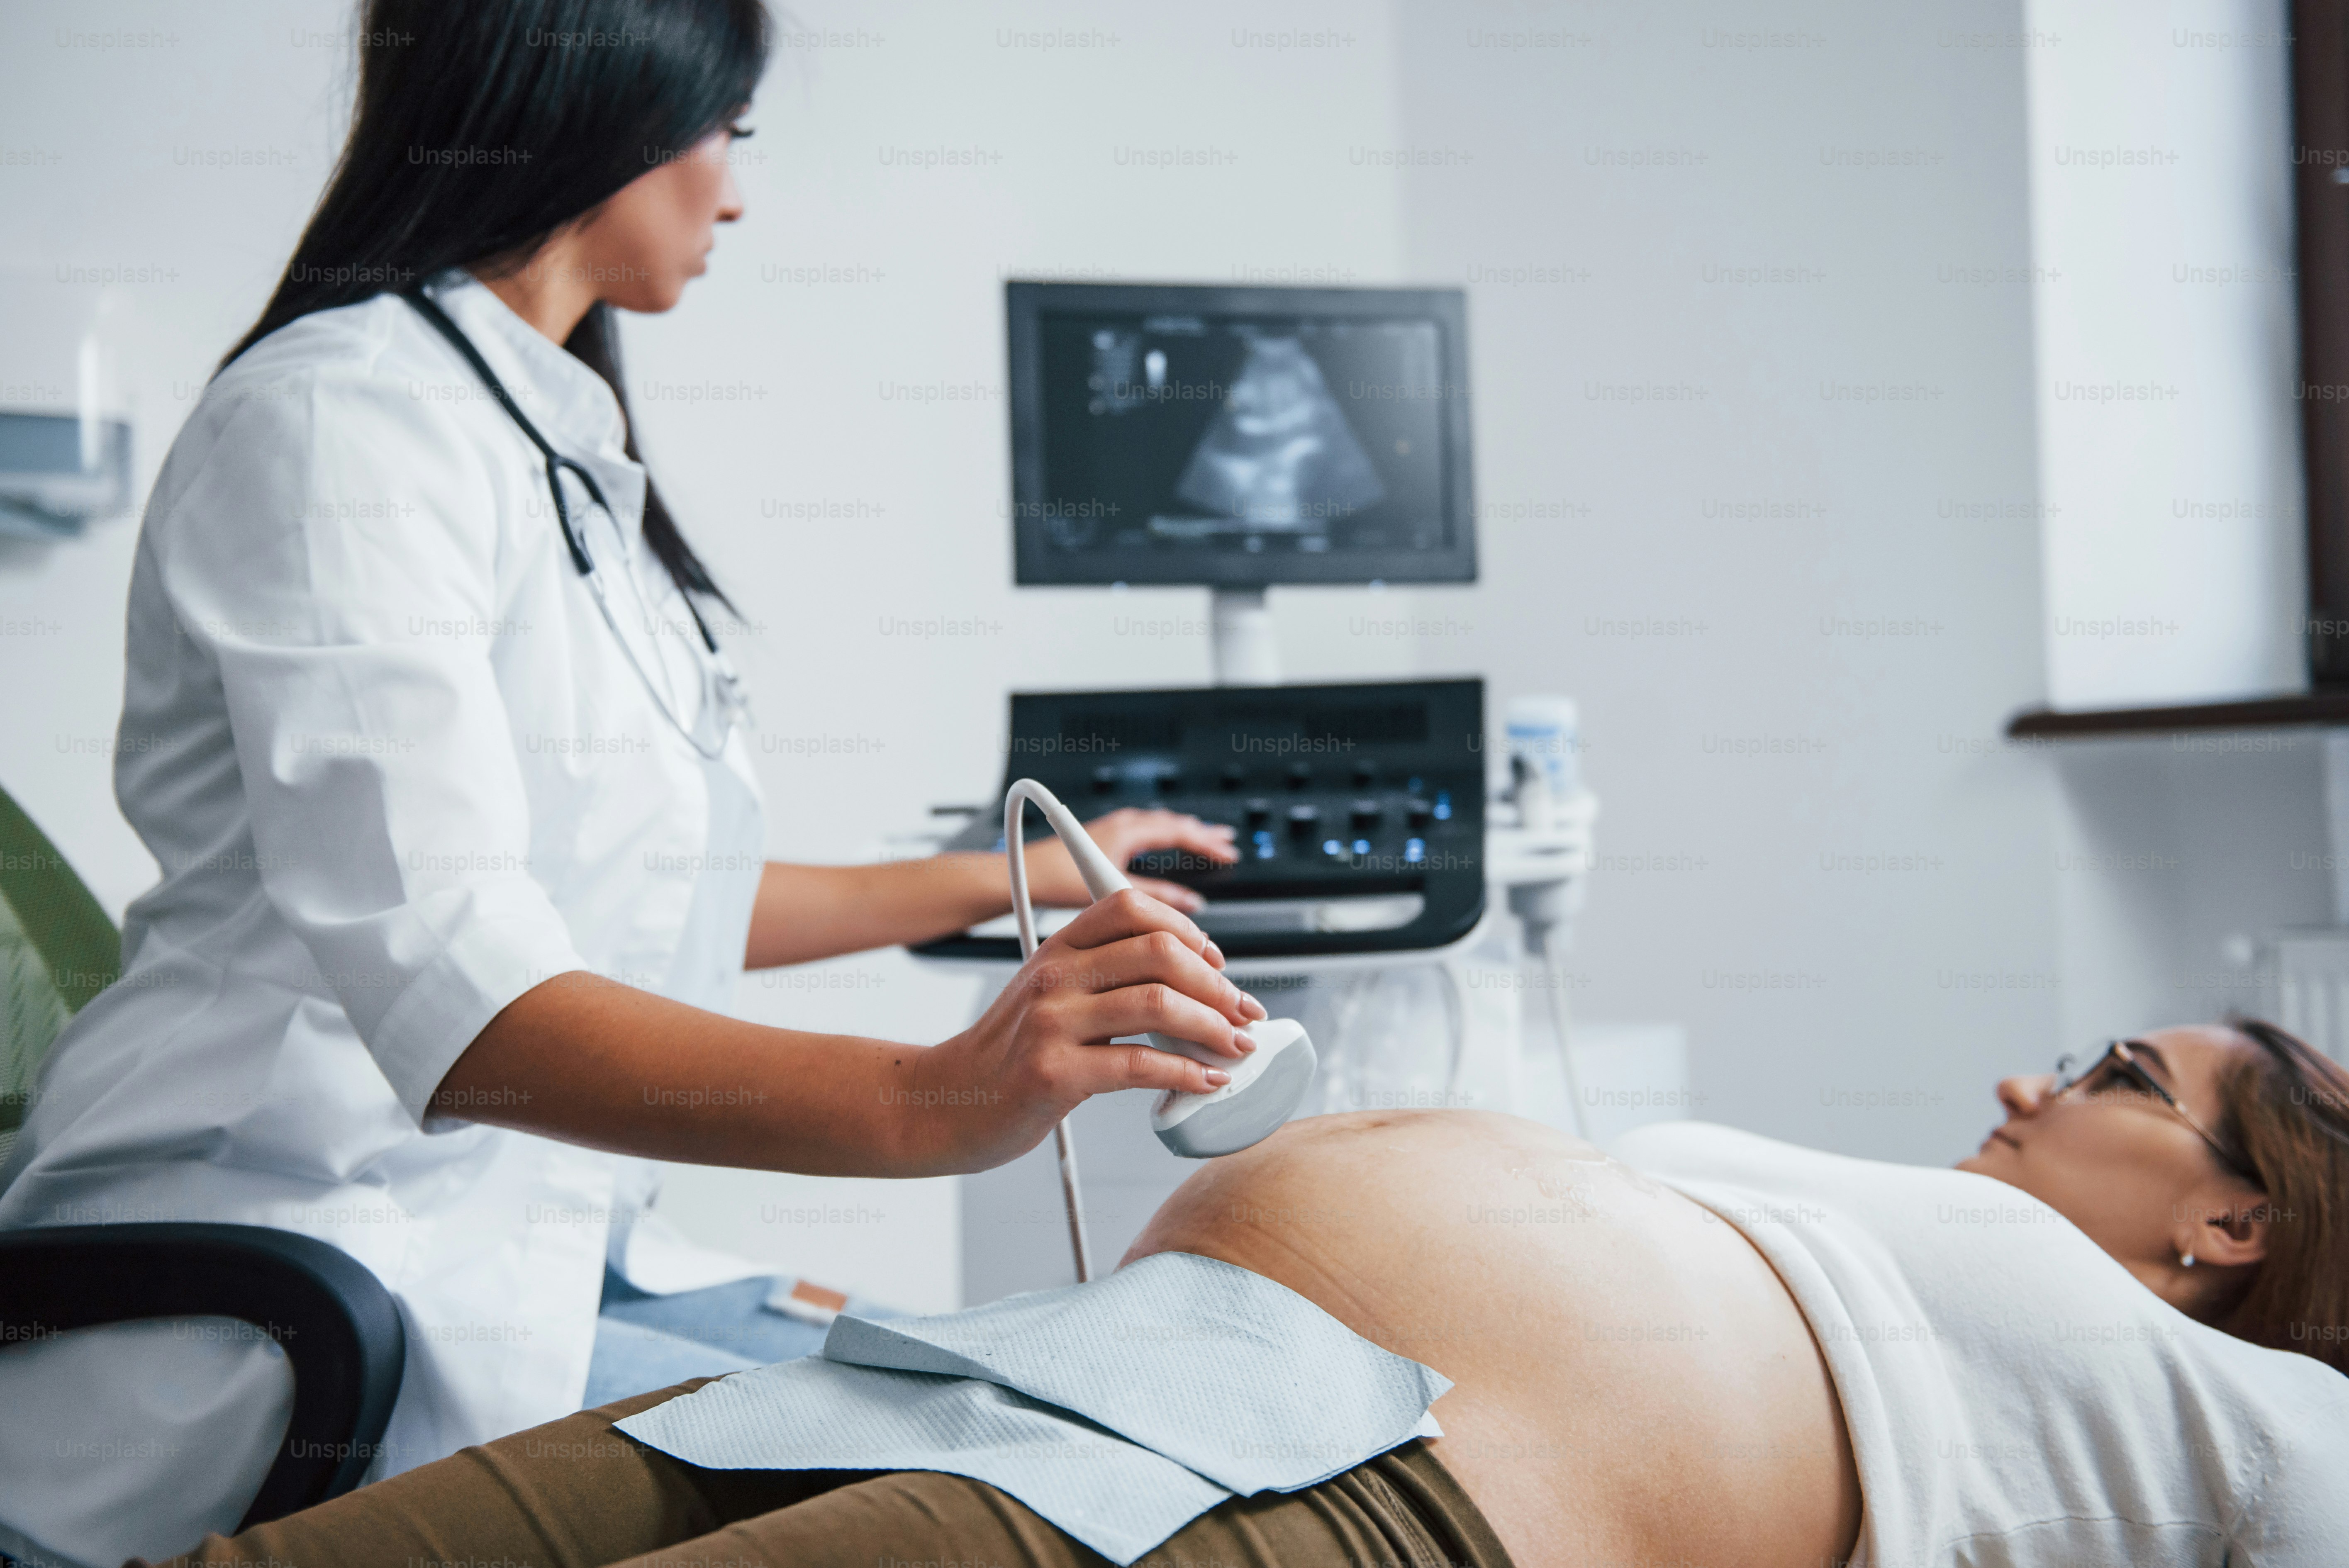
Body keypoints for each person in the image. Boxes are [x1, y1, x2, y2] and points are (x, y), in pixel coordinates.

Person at [0, 2, 1260, 1562]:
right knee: (1034, 1494)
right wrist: (939, 1098)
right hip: (294, 1290)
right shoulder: (340, 420)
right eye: (729, 130)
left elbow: (648, 901)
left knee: (1065, 1413)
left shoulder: (542, 442)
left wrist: (1019, 879)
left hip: (537, 1262)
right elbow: (474, 1004)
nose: (734, 189)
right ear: (609, 99)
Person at [139, 1018, 2349, 1568]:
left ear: (2237, 1222)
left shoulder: (2222, 1418)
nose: (2032, 1075)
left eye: (2124, 1075)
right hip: (1054, 1375)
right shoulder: (1897, 1218)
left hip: (1309, 1483)